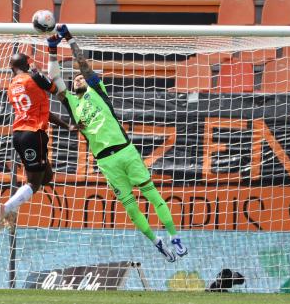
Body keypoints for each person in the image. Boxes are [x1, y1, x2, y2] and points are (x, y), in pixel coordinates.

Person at [46, 25, 188, 262]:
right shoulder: (71, 103)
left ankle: (175, 237)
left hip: (126, 150)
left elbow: (84, 65)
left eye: (82, 77)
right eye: (76, 79)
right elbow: (56, 78)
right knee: (131, 208)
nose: (79, 77)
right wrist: (52, 49)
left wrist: (69, 40)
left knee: (152, 195)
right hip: (106, 161)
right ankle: (157, 242)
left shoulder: (97, 91)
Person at [0, 53, 78, 233]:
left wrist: (65, 125)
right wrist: (41, 74)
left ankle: (12, 205)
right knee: (34, 183)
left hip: (18, 134)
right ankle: (6, 208)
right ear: (27, 63)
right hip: (33, 134)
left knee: (46, 176)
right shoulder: (34, 77)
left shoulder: (11, 86)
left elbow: (38, 110)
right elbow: (57, 89)